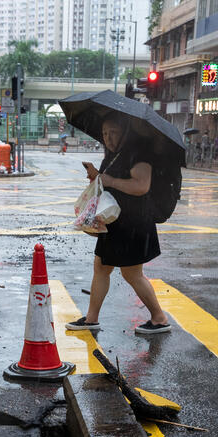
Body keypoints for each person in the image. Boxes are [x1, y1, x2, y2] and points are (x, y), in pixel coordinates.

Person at [66, 114, 171, 335]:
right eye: (105, 133)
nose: (108, 137)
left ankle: (159, 318)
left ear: (125, 131)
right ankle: (91, 319)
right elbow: (109, 181)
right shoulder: (116, 154)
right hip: (116, 222)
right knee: (102, 267)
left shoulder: (138, 154)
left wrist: (106, 180)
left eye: (113, 132)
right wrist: (97, 176)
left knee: (132, 274)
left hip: (133, 223)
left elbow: (141, 186)